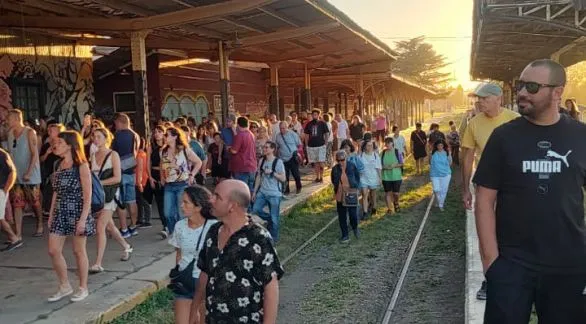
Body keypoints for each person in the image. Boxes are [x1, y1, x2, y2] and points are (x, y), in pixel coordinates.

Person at [474, 59, 586, 324]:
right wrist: (492, 263)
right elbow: (484, 199)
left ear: (557, 92)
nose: (522, 92)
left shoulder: (581, 137)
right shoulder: (503, 138)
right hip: (512, 264)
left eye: (532, 86)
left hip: (569, 266)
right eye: (521, 85)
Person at [191, 180, 284, 324]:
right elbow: (205, 272)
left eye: (217, 197)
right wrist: (195, 307)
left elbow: (270, 287)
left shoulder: (258, 237)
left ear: (232, 206)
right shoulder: (213, 231)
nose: (211, 199)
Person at [460, 83, 520, 300]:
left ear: (498, 99)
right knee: (487, 234)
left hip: (515, 186)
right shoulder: (474, 124)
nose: (480, 102)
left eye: (484, 98)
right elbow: (467, 157)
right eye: (479, 98)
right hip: (487, 187)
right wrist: (465, 188)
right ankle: (491, 279)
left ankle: (516, 276)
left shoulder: (515, 120)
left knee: (513, 231)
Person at [47, 131, 95, 302]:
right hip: (61, 211)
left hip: (77, 210)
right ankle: (65, 285)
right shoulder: (59, 165)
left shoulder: (81, 166)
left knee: (78, 251)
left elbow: (88, 195)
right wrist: (51, 213)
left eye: (59, 142)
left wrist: (82, 219)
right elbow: (56, 192)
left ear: (69, 145)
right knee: (53, 250)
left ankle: (83, 287)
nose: (55, 145)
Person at [168, 186, 217, 324]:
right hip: (185, 281)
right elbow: (179, 254)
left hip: (206, 283)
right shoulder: (179, 226)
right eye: (181, 202)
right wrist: (178, 273)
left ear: (198, 206)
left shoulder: (214, 227)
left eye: (186, 202)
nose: (181, 206)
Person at [88, 128, 133, 273]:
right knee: (110, 226)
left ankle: (98, 263)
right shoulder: (93, 155)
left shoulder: (113, 154)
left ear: (106, 138)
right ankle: (126, 246)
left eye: (99, 136)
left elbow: (117, 178)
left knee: (100, 227)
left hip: (109, 196)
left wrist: (99, 183)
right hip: (99, 196)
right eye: (94, 137)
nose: (96, 139)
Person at [6, 109, 43, 238]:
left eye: (9, 118)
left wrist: (29, 172)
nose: (7, 120)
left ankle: (40, 223)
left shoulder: (29, 132)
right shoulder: (10, 133)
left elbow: (34, 155)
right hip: (16, 175)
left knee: (34, 201)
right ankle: (18, 233)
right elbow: (10, 153)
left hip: (30, 175)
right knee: (17, 203)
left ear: (17, 118)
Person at [160, 127, 203, 235]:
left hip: (182, 184)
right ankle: (175, 232)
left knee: (181, 213)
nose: (165, 137)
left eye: (167, 135)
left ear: (175, 137)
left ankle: (182, 234)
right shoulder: (163, 151)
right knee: (168, 213)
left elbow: (198, 162)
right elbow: (162, 165)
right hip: (169, 185)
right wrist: (162, 177)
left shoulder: (184, 150)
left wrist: (192, 175)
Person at [111, 113, 140, 238]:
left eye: (116, 123)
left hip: (120, 171)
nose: (115, 125)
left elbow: (113, 152)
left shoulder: (118, 135)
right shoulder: (135, 135)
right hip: (131, 170)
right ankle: (133, 226)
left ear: (120, 122)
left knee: (120, 202)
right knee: (132, 201)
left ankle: (124, 229)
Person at [252, 141, 286, 242]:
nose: (264, 149)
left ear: (272, 149)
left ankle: (273, 238)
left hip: (274, 194)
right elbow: (259, 176)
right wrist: (254, 192)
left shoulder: (278, 162)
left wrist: (273, 173)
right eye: (264, 147)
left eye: (266, 147)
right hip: (262, 192)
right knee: (256, 209)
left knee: (274, 217)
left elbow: (283, 178)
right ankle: (270, 220)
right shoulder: (261, 160)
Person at [331, 150, 360, 243]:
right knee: (342, 216)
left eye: (342, 160)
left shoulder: (351, 166)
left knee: (353, 214)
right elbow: (333, 180)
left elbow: (357, 176)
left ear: (345, 159)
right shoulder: (335, 169)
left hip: (351, 193)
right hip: (340, 194)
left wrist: (354, 186)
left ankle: (355, 227)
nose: (340, 162)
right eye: (338, 160)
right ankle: (345, 235)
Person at [147, 125, 169, 239]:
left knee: (168, 202)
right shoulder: (151, 147)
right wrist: (150, 177)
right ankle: (165, 226)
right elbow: (148, 163)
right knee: (160, 202)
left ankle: (170, 224)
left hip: (167, 176)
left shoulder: (167, 147)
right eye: (155, 132)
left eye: (159, 132)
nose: (157, 134)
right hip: (155, 174)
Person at [40, 123, 64, 220]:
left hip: (60, 171)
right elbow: (41, 159)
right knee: (49, 191)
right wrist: (47, 153)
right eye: (49, 130)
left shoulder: (63, 144)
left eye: (52, 130)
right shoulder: (46, 145)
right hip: (48, 172)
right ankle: (49, 212)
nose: (49, 132)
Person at [229, 117, 258, 194]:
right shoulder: (251, 134)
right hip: (252, 166)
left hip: (242, 167)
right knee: (250, 190)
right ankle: (251, 206)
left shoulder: (240, 135)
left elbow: (234, 151)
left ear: (238, 125)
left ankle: (247, 206)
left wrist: (229, 148)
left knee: (242, 192)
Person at [0, 147, 21, 251]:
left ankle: (14, 239)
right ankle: (13, 238)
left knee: (0, 218)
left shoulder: (1, 154)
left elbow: (12, 172)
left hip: (1, 189)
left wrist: (5, 190)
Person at [275, 121, 302, 195]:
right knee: (285, 176)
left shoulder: (293, 134)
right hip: (282, 158)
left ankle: (299, 187)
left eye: (283, 128)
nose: (282, 130)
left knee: (296, 174)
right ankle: (286, 190)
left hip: (292, 157)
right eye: (280, 128)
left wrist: (298, 153)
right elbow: (277, 147)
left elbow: (299, 145)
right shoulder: (278, 136)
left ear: (287, 127)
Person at [304, 109, 330, 183]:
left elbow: (327, 134)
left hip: (321, 145)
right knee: (315, 162)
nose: (314, 116)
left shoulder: (322, 123)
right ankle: (317, 177)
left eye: (316, 114)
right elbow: (306, 135)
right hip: (312, 146)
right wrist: (306, 145)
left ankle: (321, 177)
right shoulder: (309, 124)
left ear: (318, 115)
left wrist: (325, 143)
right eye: (313, 114)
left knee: (321, 162)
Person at [359, 140, 382, 219]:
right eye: (368, 145)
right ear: (365, 146)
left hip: (373, 177)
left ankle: (374, 208)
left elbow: (378, 168)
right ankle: (365, 212)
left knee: (373, 194)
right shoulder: (361, 156)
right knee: (364, 194)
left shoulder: (375, 156)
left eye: (371, 145)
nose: (370, 147)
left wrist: (380, 178)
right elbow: (358, 167)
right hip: (363, 178)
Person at [381, 137, 403, 214]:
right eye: (386, 143)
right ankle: (389, 208)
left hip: (396, 176)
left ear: (392, 143)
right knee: (387, 193)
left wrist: (394, 166)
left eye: (388, 143)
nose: (387, 145)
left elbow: (401, 163)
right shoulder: (383, 153)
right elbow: (379, 165)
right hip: (386, 177)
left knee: (395, 193)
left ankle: (396, 203)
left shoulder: (397, 152)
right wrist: (385, 167)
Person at [429, 139, 452, 211]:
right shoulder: (432, 153)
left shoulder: (447, 153)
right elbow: (430, 162)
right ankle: (438, 201)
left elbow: (450, 162)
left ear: (443, 146)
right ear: (436, 146)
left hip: (446, 174)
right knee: (436, 189)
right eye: (438, 145)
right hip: (435, 174)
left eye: (441, 145)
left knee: (443, 190)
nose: (440, 147)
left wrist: (444, 169)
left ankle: (441, 204)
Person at [135, 137, 151, 227]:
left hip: (141, 180)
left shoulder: (139, 155)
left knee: (142, 201)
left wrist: (139, 182)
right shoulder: (143, 154)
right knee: (140, 201)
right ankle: (140, 219)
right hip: (144, 179)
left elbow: (140, 169)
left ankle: (147, 220)